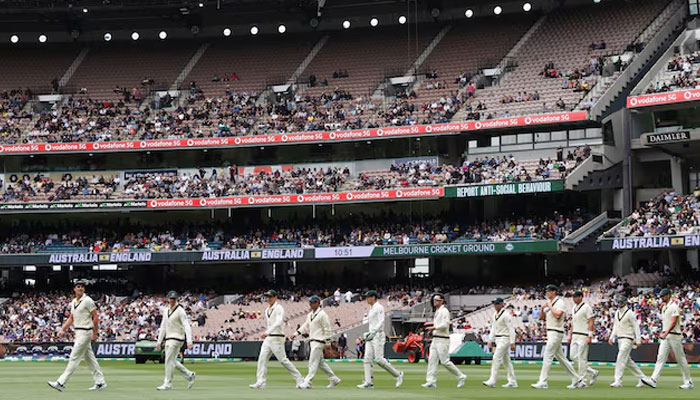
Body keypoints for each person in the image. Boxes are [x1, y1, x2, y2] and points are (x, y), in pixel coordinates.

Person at [48, 280, 107, 392]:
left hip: (85, 332)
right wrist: (63, 329)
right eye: (78, 287)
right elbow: (71, 317)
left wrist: (95, 333)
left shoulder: (88, 300)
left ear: (84, 289)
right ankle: (100, 382)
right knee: (90, 359)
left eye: (82, 287)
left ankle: (61, 383)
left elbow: (95, 316)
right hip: (78, 332)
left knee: (74, 358)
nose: (80, 288)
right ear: (74, 289)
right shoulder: (74, 301)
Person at [250, 290, 303, 389]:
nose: (268, 299)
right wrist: (267, 333)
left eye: (270, 297)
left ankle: (299, 378)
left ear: (275, 297)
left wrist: (267, 332)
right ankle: (261, 381)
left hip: (277, 337)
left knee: (283, 360)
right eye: (267, 297)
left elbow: (278, 322)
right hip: (268, 338)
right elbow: (270, 323)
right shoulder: (267, 310)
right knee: (262, 359)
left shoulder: (279, 308)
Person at [531, 284, 581, 389]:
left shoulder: (560, 302)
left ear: (554, 292)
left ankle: (543, 381)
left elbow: (558, 315)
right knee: (562, 359)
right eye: (546, 291)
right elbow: (541, 318)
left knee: (547, 356)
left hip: (556, 332)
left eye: (549, 291)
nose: (547, 293)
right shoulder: (550, 303)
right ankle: (576, 378)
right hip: (550, 332)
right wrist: (542, 309)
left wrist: (549, 306)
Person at [357, 290, 404, 388]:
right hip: (370, 335)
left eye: (368, 297)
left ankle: (398, 374)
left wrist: (374, 331)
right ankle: (368, 382)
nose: (366, 299)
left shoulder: (379, 307)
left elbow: (381, 321)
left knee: (379, 359)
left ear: (373, 297)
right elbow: (370, 322)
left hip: (378, 335)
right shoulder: (371, 309)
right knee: (367, 358)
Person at [649, 288, 694, 389]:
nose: (662, 298)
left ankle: (689, 382)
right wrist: (663, 332)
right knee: (660, 358)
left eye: (663, 296)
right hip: (666, 336)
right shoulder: (664, 307)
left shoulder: (674, 306)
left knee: (681, 359)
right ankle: (653, 379)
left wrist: (666, 332)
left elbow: (673, 322)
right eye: (661, 296)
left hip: (674, 336)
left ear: (668, 295)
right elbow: (667, 322)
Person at [294, 296, 341, 389]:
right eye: (310, 303)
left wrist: (327, 343)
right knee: (320, 363)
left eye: (313, 303)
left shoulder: (322, 314)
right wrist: (296, 333)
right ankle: (334, 378)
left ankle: (308, 381)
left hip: (319, 341)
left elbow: (327, 329)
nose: (311, 305)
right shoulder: (310, 315)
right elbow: (305, 325)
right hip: (313, 341)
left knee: (312, 362)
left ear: (318, 303)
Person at [608, 295, 654, 388]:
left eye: (620, 302)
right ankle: (643, 378)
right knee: (628, 361)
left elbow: (636, 327)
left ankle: (618, 380)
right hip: (620, 339)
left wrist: (638, 340)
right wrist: (611, 337)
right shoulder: (617, 312)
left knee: (620, 358)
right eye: (618, 302)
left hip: (628, 339)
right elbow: (615, 326)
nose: (618, 304)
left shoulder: (630, 313)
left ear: (625, 303)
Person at [422, 294, 466, 388]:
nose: (435, 301)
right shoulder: (437, 311)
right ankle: (431, 381)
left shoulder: (444, 311)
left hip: (443, 339)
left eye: (437, 300)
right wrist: (433, 331)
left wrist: (434, 328)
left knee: (445, 361)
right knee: (432, 360)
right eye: (434, 300)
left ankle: (461, 376)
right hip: (435, 338)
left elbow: (446, 325)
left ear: (442, 301)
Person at [155, 291, 196, 391]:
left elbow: (186, 325)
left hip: (177, 338)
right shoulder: (166, 310)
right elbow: (163, 326)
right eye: (171, 298)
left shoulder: (180, 310)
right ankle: (189, 374)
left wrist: (189, 340)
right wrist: (159, 342)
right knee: (171, 361)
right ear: (168, 299)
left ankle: (168, 383)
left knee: (168, 360)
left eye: (174, 299)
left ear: (176, 299)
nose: (172, 300)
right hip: (169, 338)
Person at [483, 297, 517, 388]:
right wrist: (490, 339)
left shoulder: (506, 315)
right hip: (498, 339)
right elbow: (493, 327)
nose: (495, 306)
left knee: (496, 357)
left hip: (505, 338)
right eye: (494, 304)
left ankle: (492, 380)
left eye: (497, 304)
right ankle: (512, 381)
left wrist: (512, 342)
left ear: (502, 304)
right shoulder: (494, 314)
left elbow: (511, 329)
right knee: (506, 361)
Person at [568, 290, 599, 388]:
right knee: (573, 356)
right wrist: (570, 334)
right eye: (573, 297)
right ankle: (592, 372)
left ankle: (582, 381)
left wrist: (590, 336)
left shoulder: (586, 307)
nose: (574, 299)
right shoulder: (574, 308)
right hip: (575, 335)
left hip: (583, 335)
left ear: (581, 297)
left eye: (576, 297)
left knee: (582, 358)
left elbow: (591, 321)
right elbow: (573, 322)